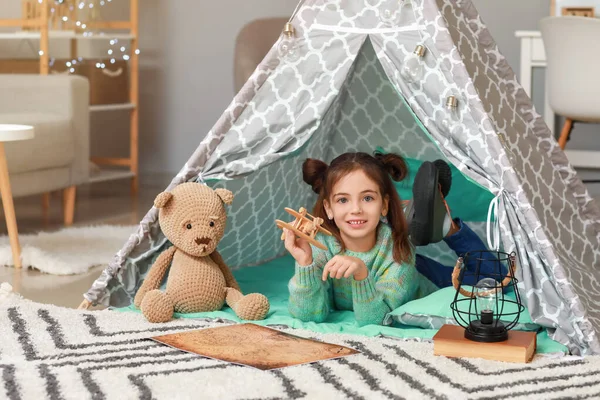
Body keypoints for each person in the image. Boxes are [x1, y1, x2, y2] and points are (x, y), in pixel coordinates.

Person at [283, 151, 505, 327]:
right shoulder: (321, 247)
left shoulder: (400, 253)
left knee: (496, 282)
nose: (356, 209)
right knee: (386, 232)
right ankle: (413, 211)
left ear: (384, 205)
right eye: (343, 200)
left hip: (410, 272)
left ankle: (447, 226)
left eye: (367, 198)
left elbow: (376, 319)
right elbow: (308, 316)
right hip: (392, 260)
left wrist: (361, 275)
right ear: (328, 209)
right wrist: (305, 265)